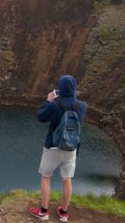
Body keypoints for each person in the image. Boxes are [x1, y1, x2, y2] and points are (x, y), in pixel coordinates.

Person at [29, 75, 87, 222]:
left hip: (53, 147)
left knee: (46, 176)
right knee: (67, 179)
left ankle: (43, 212)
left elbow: (41, 116)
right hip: (71, 148)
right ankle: (64, 213)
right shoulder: (82, 106)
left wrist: (49, 100)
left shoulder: (54, 104)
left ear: (60, 88)